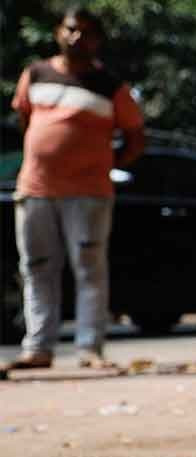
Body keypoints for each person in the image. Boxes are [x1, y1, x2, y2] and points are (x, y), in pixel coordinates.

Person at [7, 7, 145, 371]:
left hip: (89, 193)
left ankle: (90, 348)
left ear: (97, 40)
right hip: (36, 189)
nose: (76, 37)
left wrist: (105, 165)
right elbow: (26, 121)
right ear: (58, 33)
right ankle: (38, 347)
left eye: (85, 32)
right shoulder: (35, 74)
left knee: (90, 270)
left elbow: (135, 137)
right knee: (36, 267)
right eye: (70, 30)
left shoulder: (110, 86)